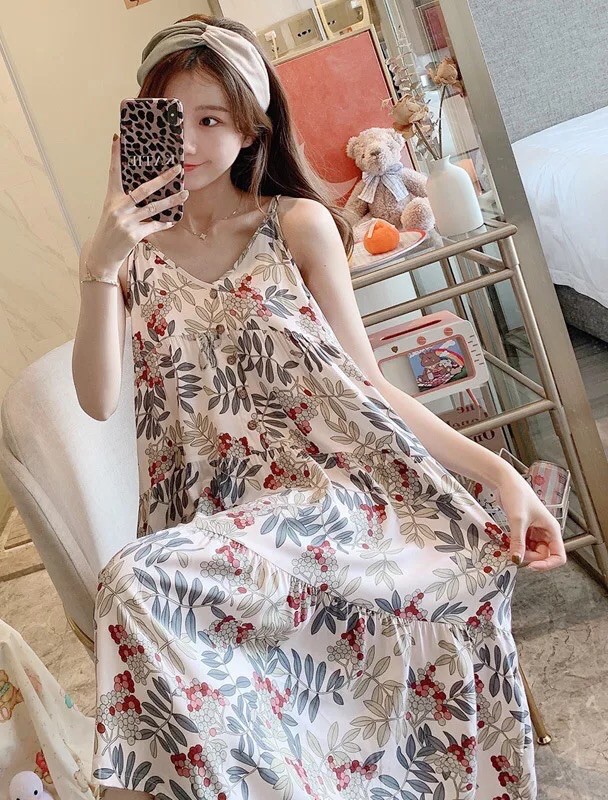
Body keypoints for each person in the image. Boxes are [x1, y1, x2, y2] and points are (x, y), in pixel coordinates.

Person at [72, 14, 562, 800]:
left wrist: (498, 472)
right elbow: (97, 400)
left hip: (324, 501)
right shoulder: (131, 257)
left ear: (251, 127)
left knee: (131, 580)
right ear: (141, 125)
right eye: (171, 118)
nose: (189, 141)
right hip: (210, 524)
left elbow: (368, 385)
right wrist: (98, 265)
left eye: (212, 120)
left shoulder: (294, 226)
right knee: (137, 589)